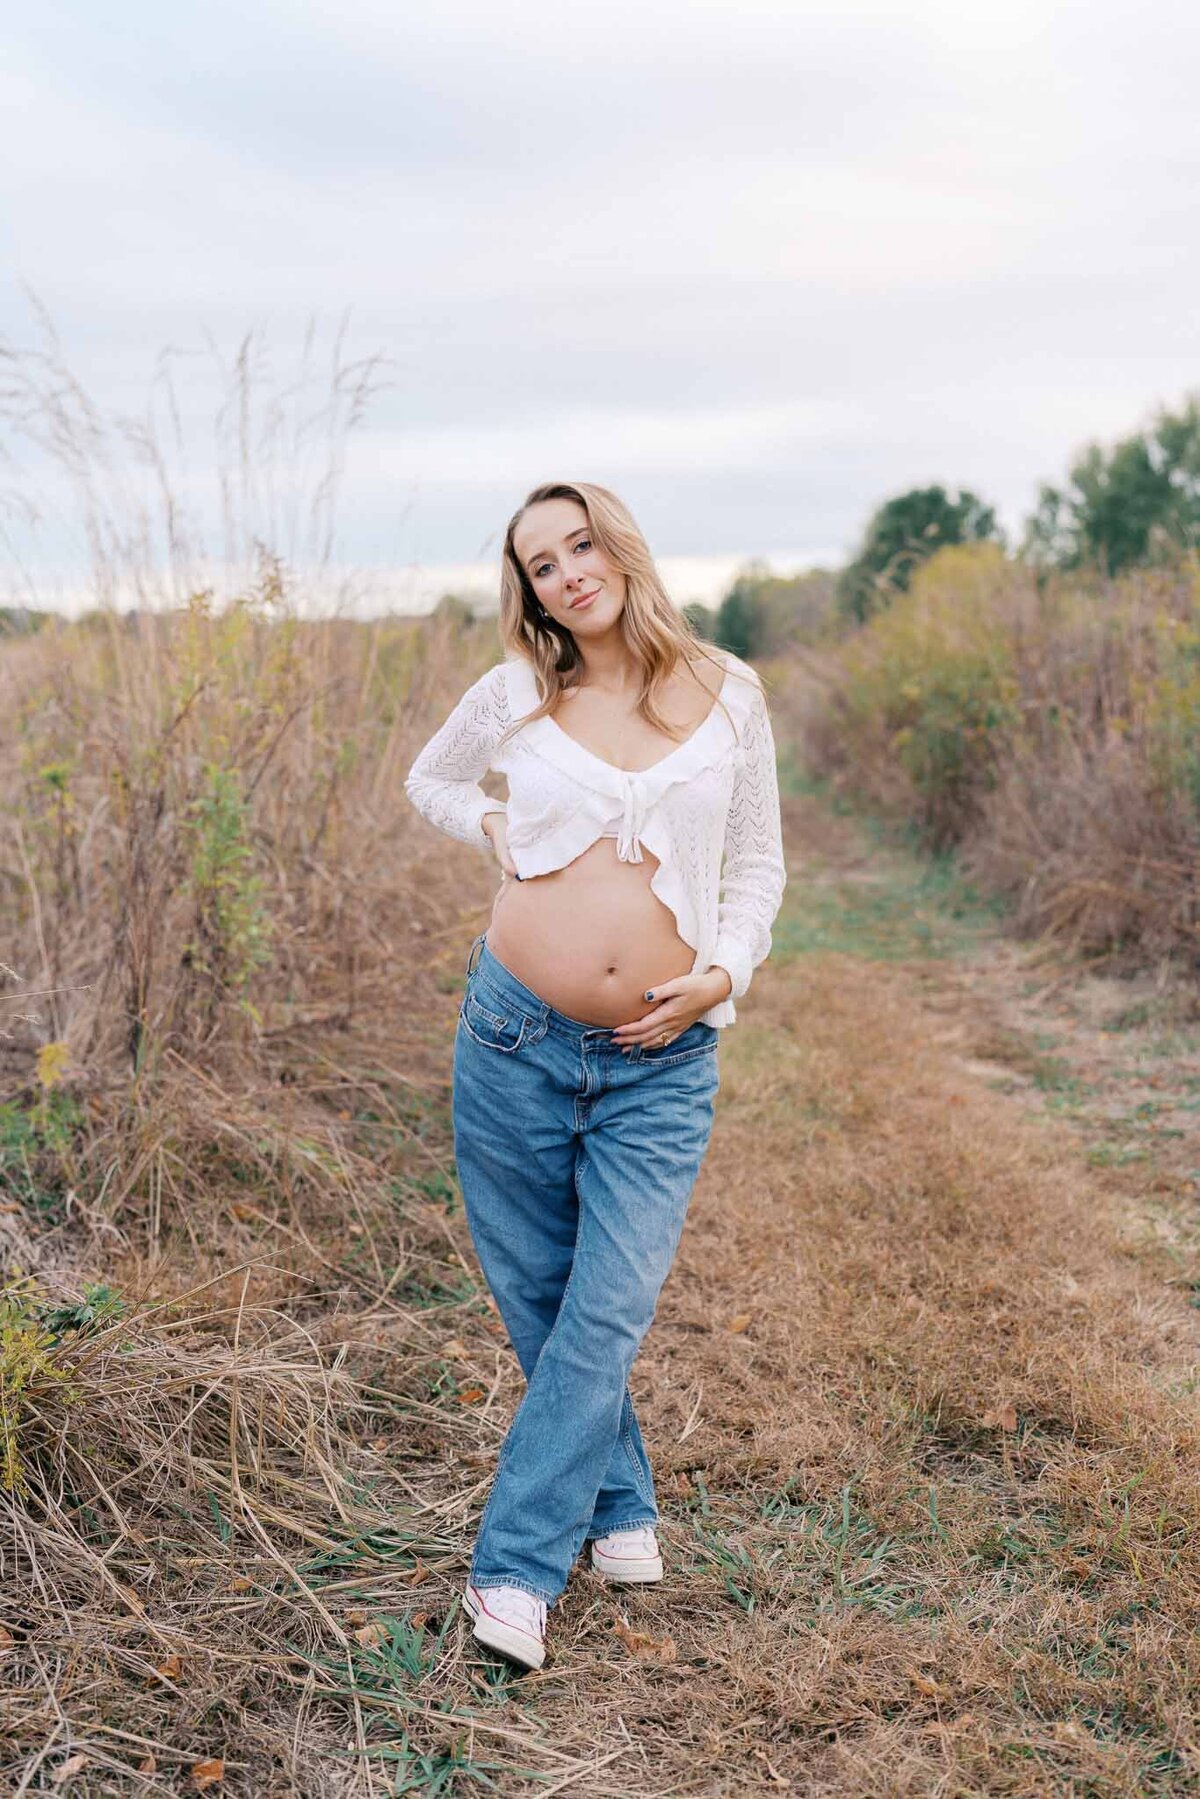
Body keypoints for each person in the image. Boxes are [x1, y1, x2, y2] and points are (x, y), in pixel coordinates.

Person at [404, 480, 786, 1670]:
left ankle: (515, 1568)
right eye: (539, 564)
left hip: (661, 1060)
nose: (568, 572)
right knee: (542, 1297)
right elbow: (432, 780)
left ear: (618, 546)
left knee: (609, 1300)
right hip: (514, 1032)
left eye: (580, 544)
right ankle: (620, 1506)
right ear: (528, 591)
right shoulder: (519, 691)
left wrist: (722, 974)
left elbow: (759, 863)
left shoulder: (730, 692)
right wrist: (488, 827)